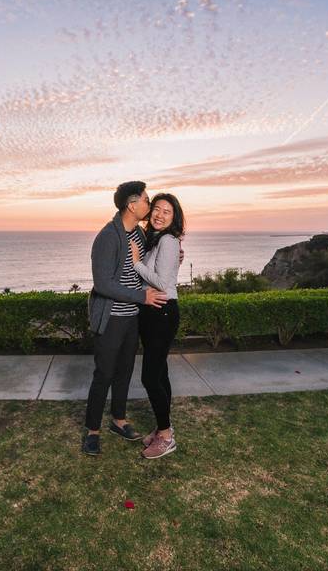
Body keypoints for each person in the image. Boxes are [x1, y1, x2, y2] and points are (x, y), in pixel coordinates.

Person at [82, 181, 169, 456]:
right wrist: (143, 298)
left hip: (131, 319)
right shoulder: (108, 237)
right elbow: (103, 284)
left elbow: (147, 263)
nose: (149, 203)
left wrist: (175, 254)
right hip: (111, 320)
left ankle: (118, 420)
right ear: (132, 205)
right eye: (146, 199)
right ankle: (92, 431)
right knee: (104, 374)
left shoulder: (139, 236)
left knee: (124, 372)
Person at [130, 193, 184, 459]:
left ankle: (165, 435)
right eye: (157, 209)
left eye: (167, 212)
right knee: (160, 372)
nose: (160, 215)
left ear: (175, 218)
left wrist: (136, 262)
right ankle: (165, 428)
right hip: (152, 313)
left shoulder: (169, 241)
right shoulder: (156, 239)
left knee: (149, 376)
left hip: (162, 312)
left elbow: (162, 283)